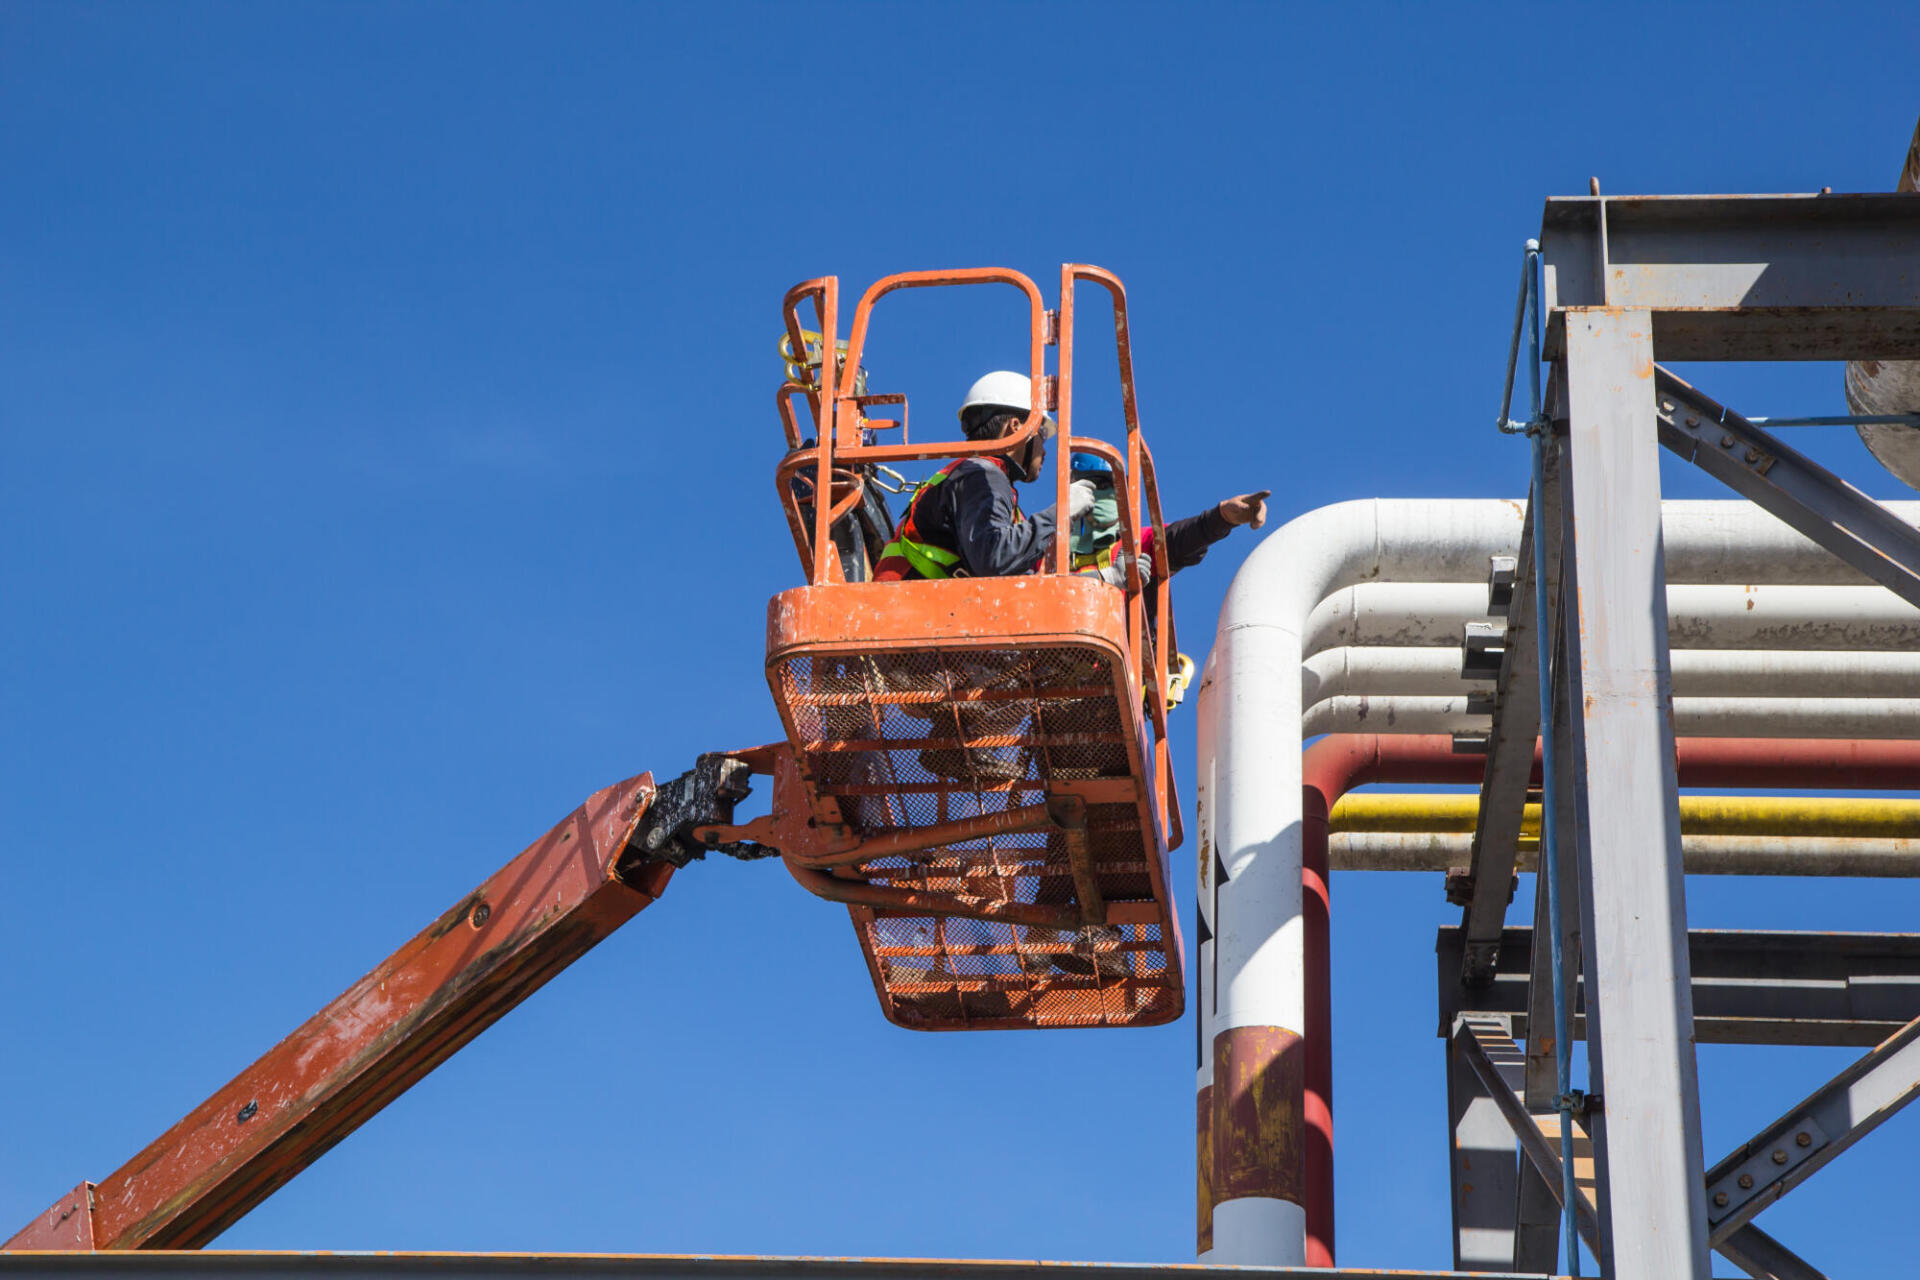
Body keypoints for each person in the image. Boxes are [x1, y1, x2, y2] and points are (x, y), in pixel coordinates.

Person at [873, 370, 1095, 581]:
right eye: (1042, 433)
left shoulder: (972, 477)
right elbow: (993, 557)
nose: (1044, 449)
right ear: (1016, 427)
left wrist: (1098, 579)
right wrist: (1060, 515)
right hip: (915, 609)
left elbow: (1024, 581)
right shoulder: (983, 476)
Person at [1066, 450, 1269, 587]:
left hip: (1120, 644)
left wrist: (1221, 518)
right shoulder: (1048, 552)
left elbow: (1178, 540)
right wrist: (1107, 577)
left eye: (1116, 488)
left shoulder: (1133, 545)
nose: (1108, 493)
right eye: (1099, 485)